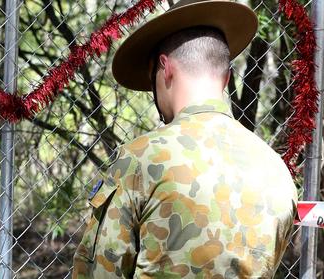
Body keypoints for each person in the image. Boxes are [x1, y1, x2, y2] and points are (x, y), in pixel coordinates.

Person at [72, 0, 298, 278]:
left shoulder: (141, 160)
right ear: (226, 78)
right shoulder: (275, 169)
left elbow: (99, 272)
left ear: (165, 68)